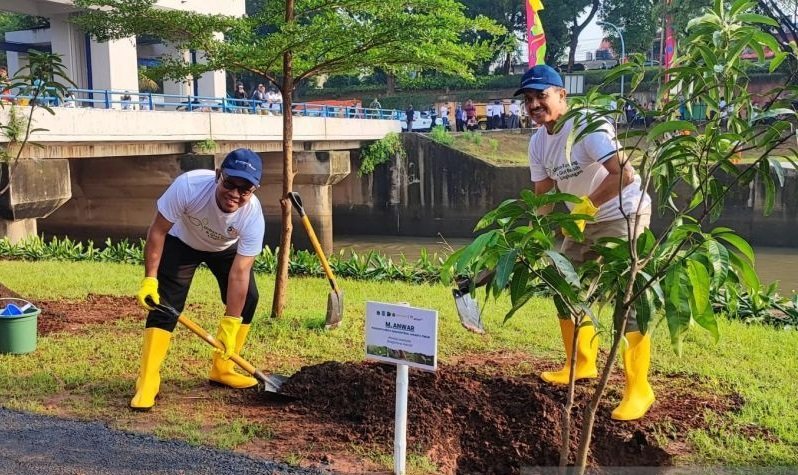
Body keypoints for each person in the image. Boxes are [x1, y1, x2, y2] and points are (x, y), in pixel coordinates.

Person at [515, 64, 654, 421]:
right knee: (565, 287)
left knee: (627, 298)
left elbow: (625, 174)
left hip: (622, 215)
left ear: (562, 94)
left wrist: (585, 208)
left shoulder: (587, 126)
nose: (534, 105)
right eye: (528, 99)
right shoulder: (537, 142)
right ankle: (581, 363)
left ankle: (639, 389)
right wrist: (533, 235)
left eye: (541, 96)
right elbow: (544, 195)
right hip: (580, 223)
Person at [132, 148, 266, 411]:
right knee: (165, 304)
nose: (235, 193)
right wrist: (150, 280)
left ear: (254, 190)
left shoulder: (252, 216)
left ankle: (223, 368)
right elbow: (158, 231)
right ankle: (147, 380)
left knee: (249, 298)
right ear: (218, 175)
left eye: (245, 189)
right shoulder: (188, 186)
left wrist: (230, 325)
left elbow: (240, 272)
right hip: (181, 242)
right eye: (230, 183)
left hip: (224, 248)